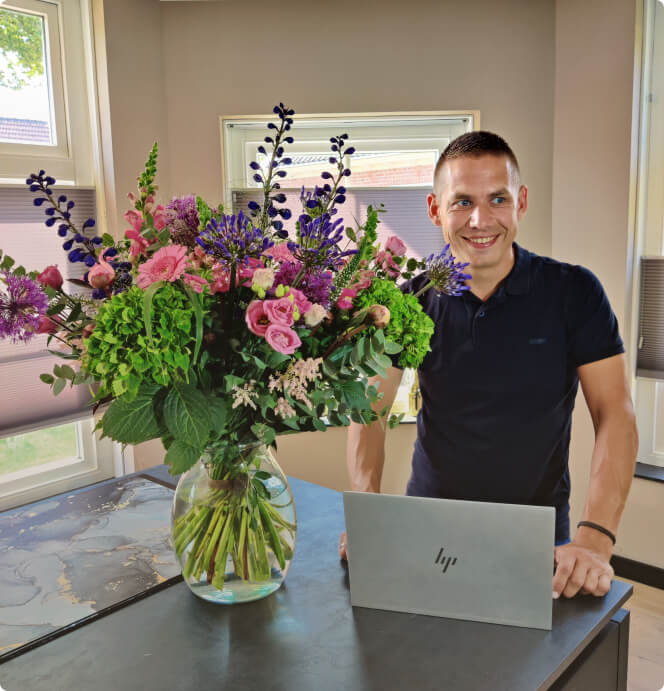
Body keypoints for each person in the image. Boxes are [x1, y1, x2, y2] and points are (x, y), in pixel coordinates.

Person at [340, 131, 638, 600]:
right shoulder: (407, 302)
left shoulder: (575, 293)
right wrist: (369, 516)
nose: (480, 220)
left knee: (534, 671)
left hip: (539, 540)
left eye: (497, 198)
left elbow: (615, 413)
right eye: (462, 202)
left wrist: (595, 539)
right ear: (436, 210)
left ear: (519, 202)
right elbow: (368, 408)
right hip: (429, 527)